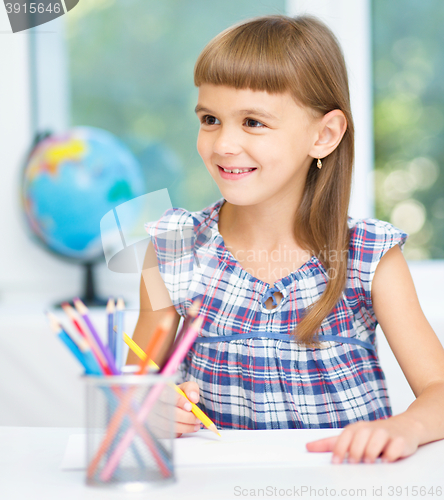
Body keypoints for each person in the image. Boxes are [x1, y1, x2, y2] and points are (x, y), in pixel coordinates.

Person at [128, 14, 444, 464]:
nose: (223, 145)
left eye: (253, 122)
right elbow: (132, 390)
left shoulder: (369, 257)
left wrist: (405, 428)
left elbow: (439, 391)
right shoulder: (172, 249)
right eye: (211, 119)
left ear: (324, 134)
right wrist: (150, 408)